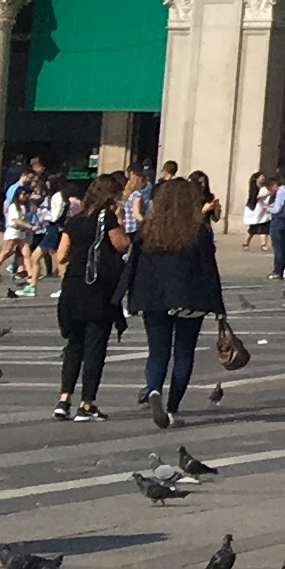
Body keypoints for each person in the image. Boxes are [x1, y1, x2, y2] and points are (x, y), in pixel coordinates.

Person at [128, 172, 228, 429]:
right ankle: (172, 408)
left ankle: (153, 389)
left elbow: (136, 266)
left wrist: (132, 298)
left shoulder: (148, 229)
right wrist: (218, 306)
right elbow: (208, 268)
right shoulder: (198, 230)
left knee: (157, 351)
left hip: (154, 298)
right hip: (189, 298)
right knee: (184, 352)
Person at [52, 173, 128, 420]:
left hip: (73, 287)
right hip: (97, 289)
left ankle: (64, 399)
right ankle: (86, 403)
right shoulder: (107, 219)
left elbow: (60, 255)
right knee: (95, 347)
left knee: (74, 345)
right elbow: (122, 245)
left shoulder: (75, 221)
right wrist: (120, 220)